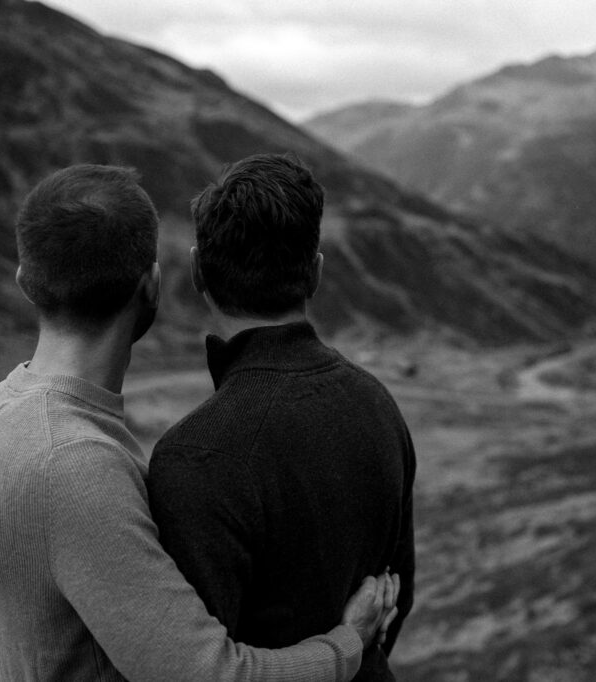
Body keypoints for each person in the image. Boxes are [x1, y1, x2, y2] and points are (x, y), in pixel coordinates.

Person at [0, 164, 399, 682]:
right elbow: (207, 674)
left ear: (25, 282)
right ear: (152, 285)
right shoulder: (74, 466)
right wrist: (348, 643)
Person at [147, 153, 416, 682]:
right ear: (315, 272)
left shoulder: (195, 456)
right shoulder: (379, 404)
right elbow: (395, 599)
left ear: (198, 270)